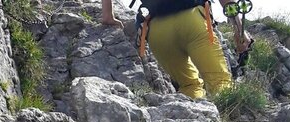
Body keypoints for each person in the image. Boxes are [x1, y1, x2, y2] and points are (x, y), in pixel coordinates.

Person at [101, 0, 252, 99]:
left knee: (189, 86)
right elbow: (227, 4)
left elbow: (107, 18)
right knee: (219, 82)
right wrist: (239, 29)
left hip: (156, 30)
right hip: (192, 20)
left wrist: (108, 16)